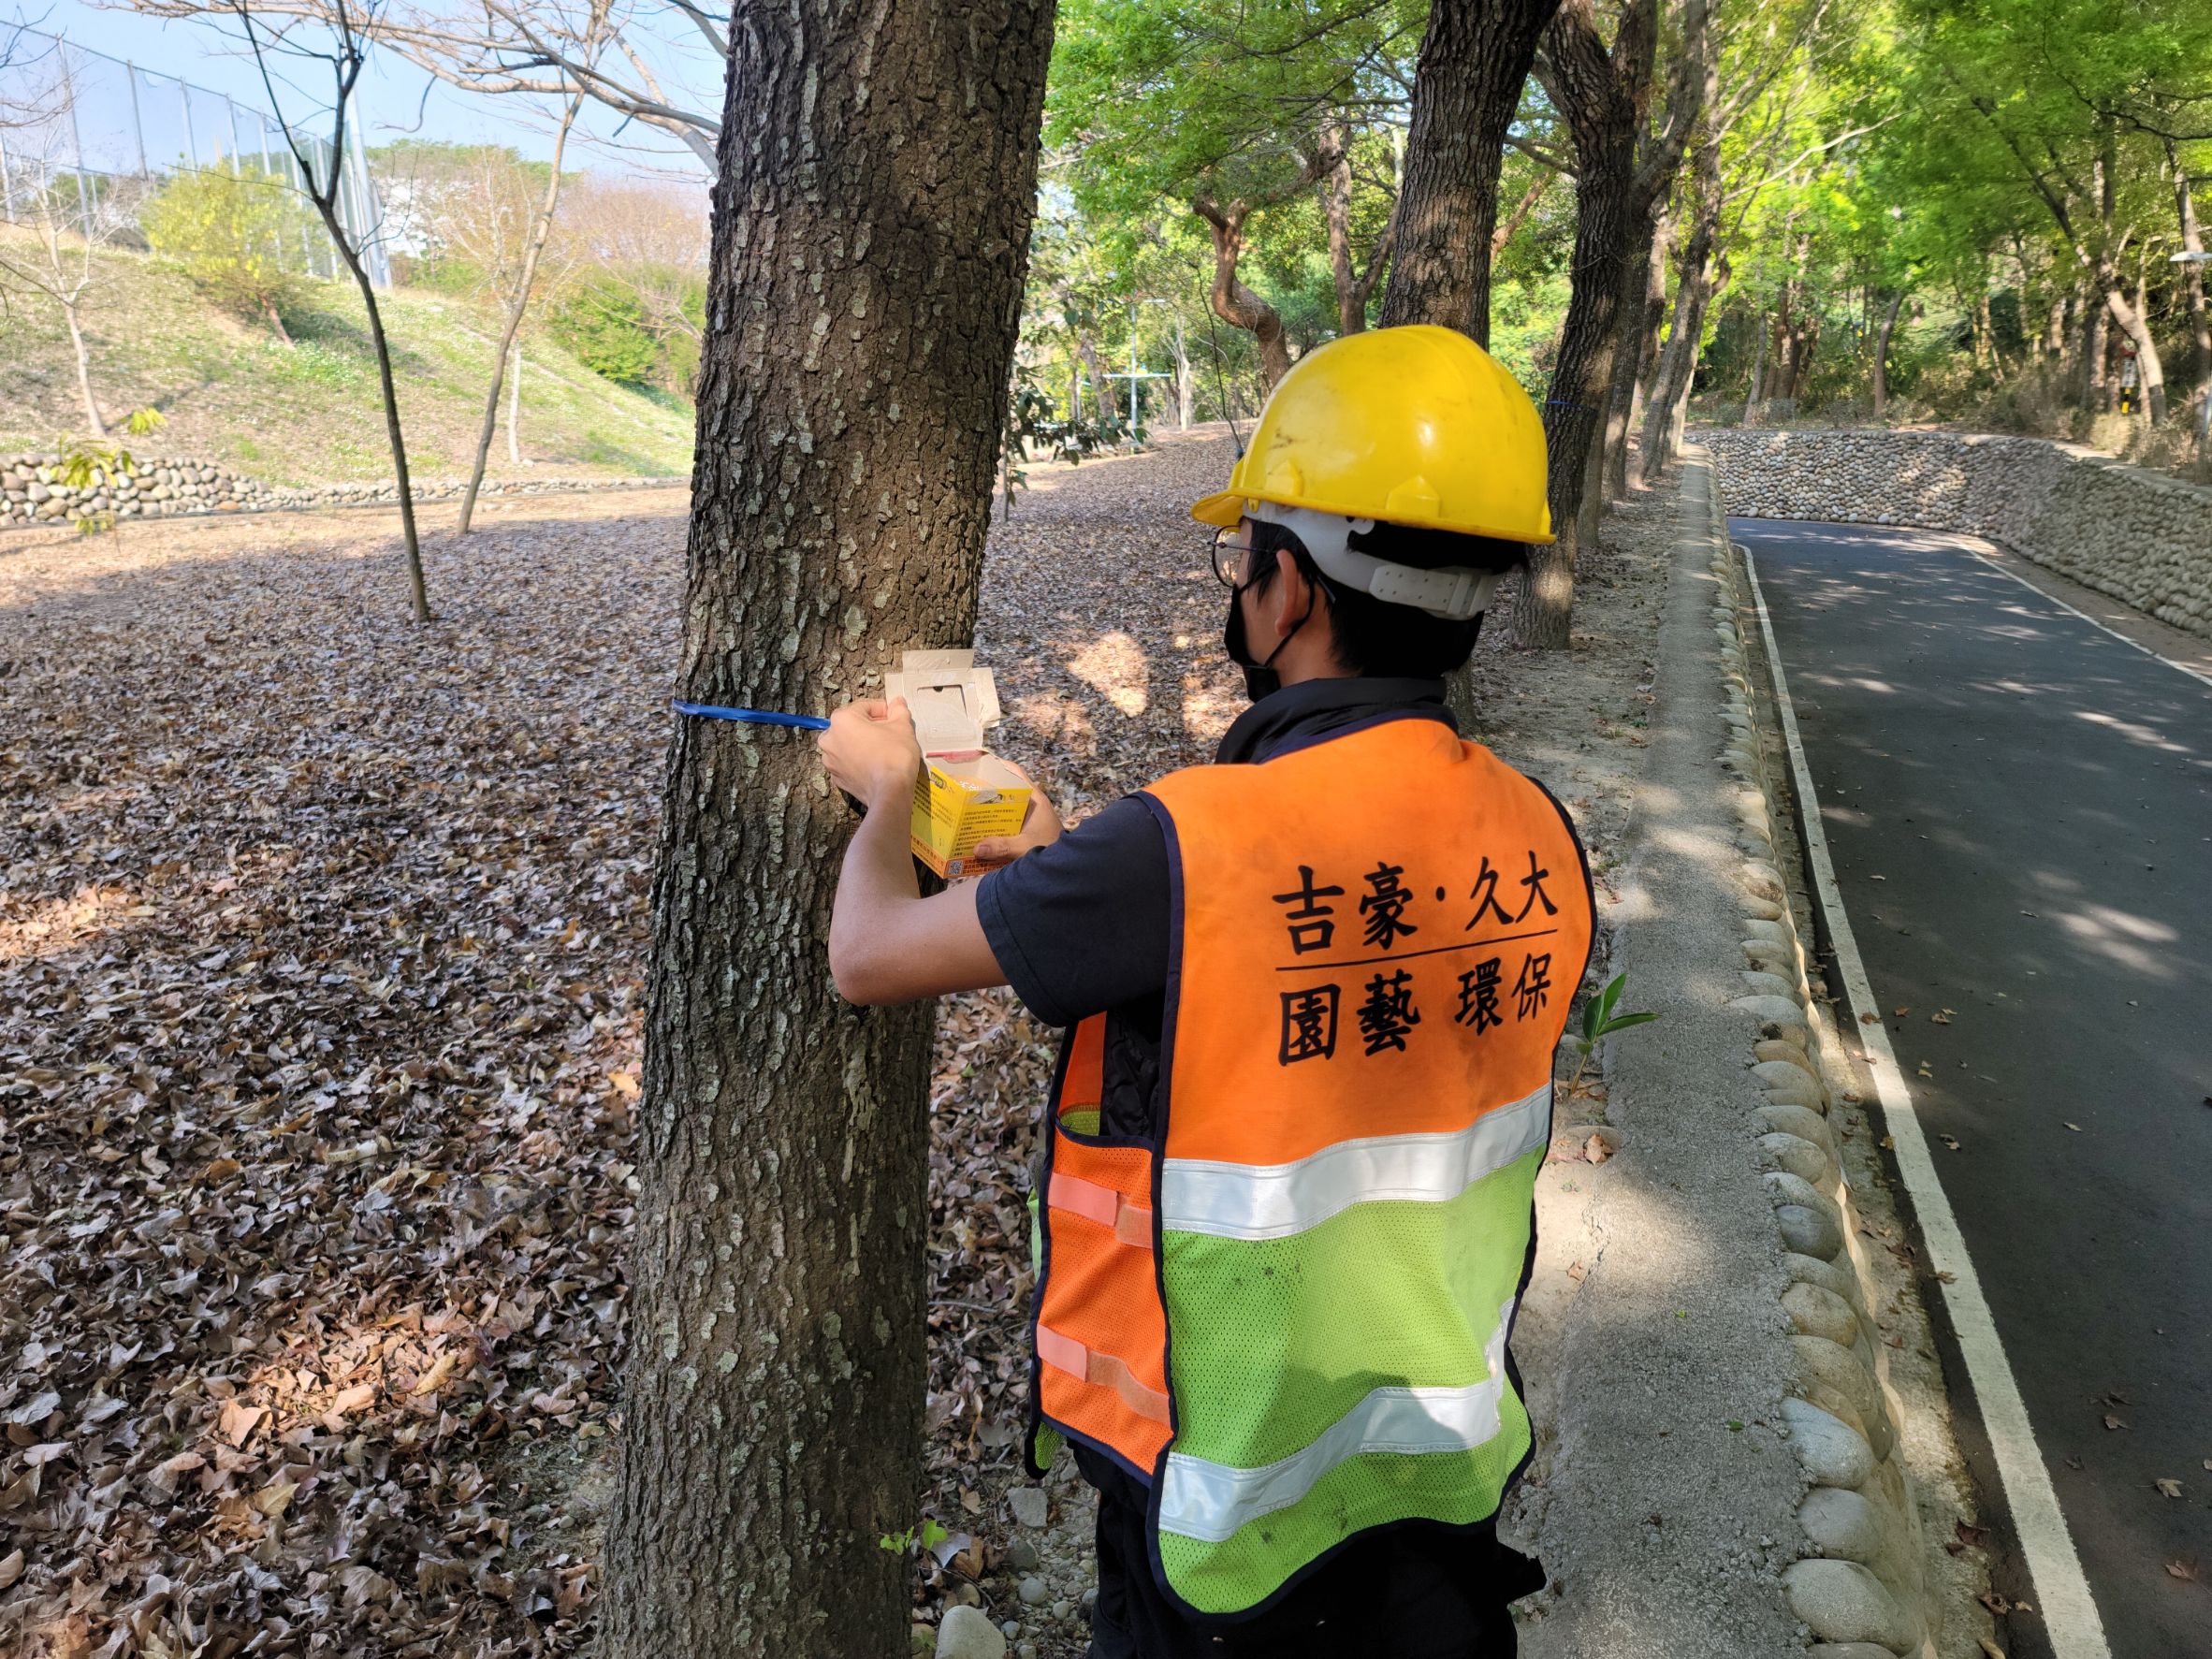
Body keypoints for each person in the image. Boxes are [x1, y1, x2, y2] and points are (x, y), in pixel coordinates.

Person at [819, 325, 1596, 1658]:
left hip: (1226, 1531)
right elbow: (1319, 1012)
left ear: (1288, 588)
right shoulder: (1541, 833)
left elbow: (869, 954)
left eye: (1245, 560)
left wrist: (887, 791)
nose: (1242, 587)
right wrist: (1077, 874)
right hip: (1434, 1482)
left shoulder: (1189, 841)